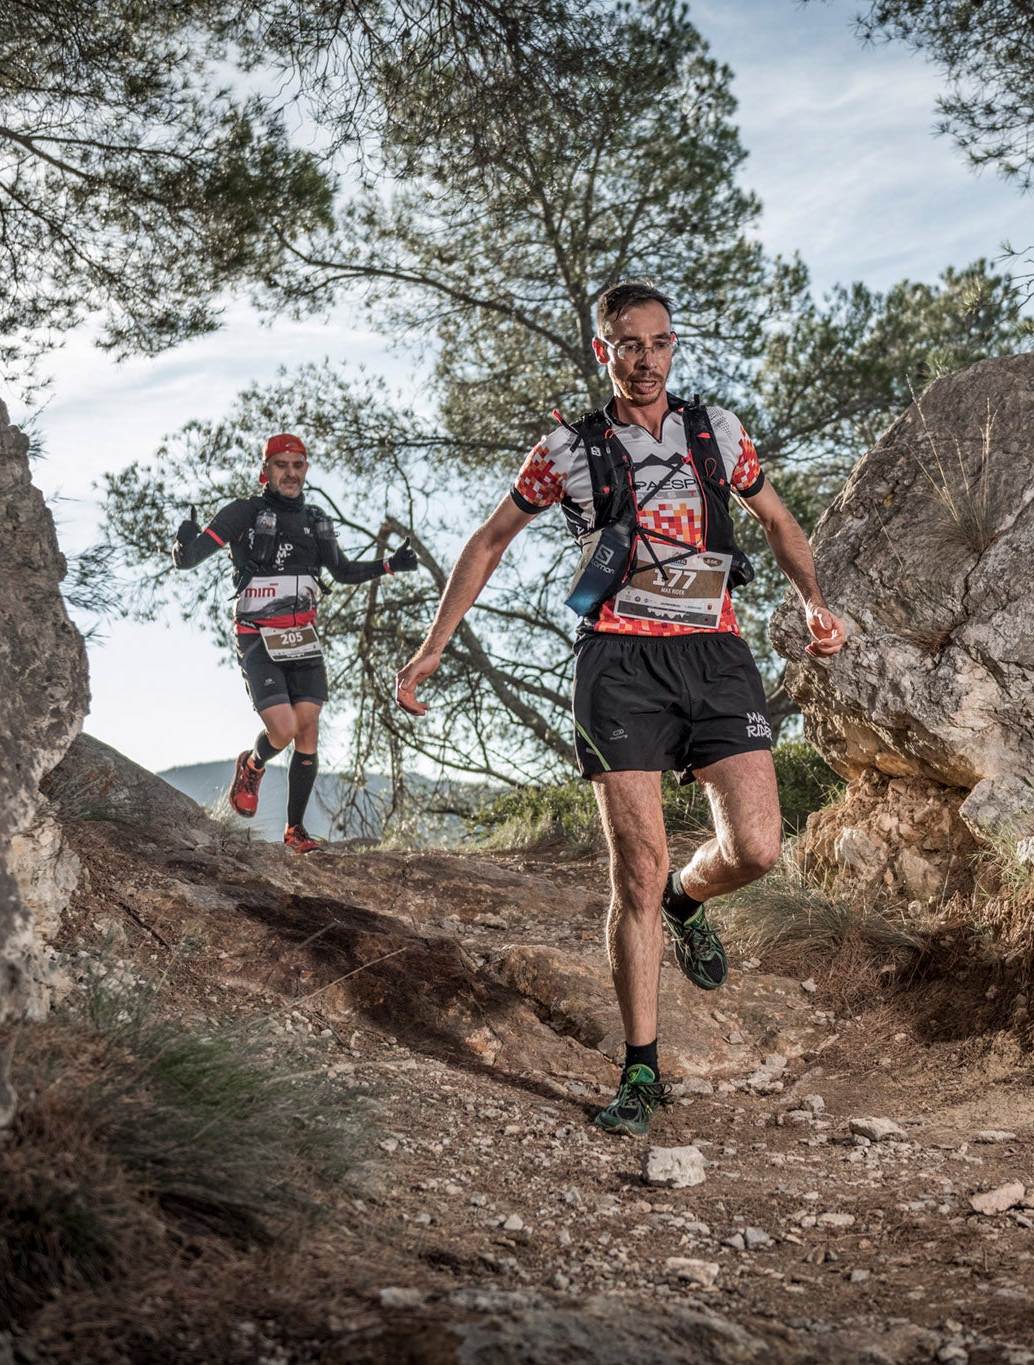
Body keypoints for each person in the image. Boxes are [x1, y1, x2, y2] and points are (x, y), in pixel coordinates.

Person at [395, 281, 846, 1136]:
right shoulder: (567, 449)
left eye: (659, 343)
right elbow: (489, 541)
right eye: (627, 344)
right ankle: (643, 1070)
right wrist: (433, 644)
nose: (645, 359)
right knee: (631, 873)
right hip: (619, 663)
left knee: (757, 845)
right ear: (604, 351)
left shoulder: (717, 433)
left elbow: (780, 521)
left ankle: (689, 898)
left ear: (675, 348)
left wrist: (815, 600)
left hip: (715, 655)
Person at [174, 433, 420, 851]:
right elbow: (188, 559)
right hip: (257, 637)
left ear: (305, 469)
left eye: (298, 465)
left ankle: (294, 831)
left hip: (303, 641)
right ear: (265, 471)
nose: (290, 473)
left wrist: (389, 565)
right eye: (281, 465)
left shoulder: (316, 519)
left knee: (308, 730)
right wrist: (184, 538)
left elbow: (340, 572)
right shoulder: (242, 513)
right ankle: (252, 764)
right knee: (284, 730)